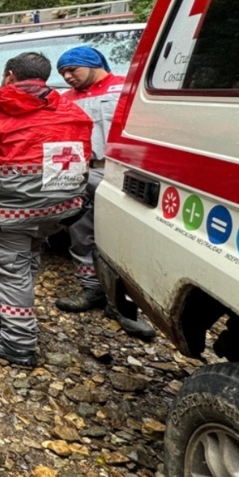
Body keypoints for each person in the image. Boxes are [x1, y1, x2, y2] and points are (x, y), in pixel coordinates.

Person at [0, 52, 93, 367]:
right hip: (61, 209)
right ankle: (12, 311)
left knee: (10, 270)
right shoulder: (73, 111)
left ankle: (17, 343)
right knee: (26, 261)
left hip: (10, 213)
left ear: (11, 76)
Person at [53, 46, 156, 341]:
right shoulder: (64, 99)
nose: (68, 77)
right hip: (80, 170)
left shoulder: (128, 89)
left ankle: (126, 304)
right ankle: (92, 290)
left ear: (92, 64)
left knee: (125, 235)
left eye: (72, 70)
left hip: (122, 171)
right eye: (63, 73)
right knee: (80, 230)